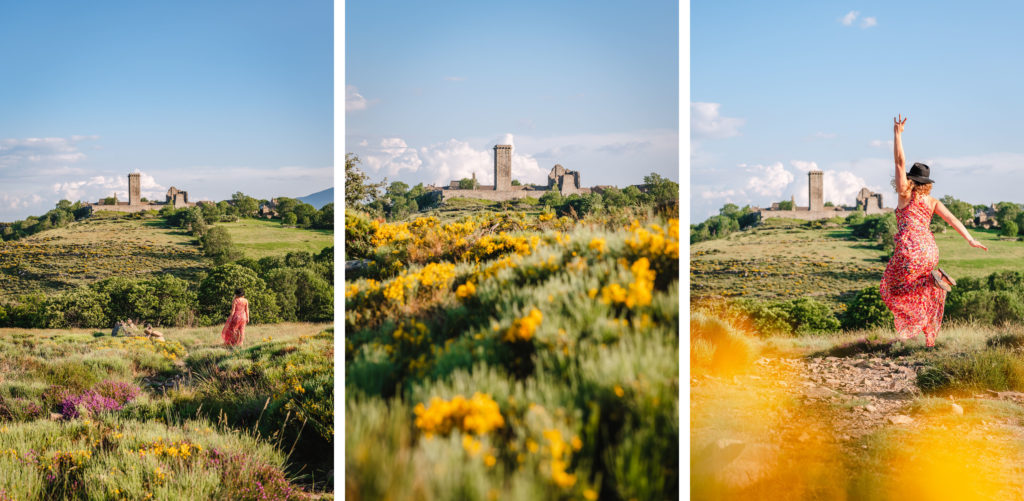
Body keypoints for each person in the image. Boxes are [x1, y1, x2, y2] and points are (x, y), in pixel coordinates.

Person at [881, 114, 987, 347]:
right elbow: (953, 220)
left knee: (891, 287)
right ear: (927, 182)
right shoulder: (932, 201)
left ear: (910, 179)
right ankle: (931, 287)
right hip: (930, 251)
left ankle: (926, 293)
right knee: (918, 287)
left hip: (910, 249)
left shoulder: (904, 194)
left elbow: (899, 162)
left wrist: (897, 134)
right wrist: (971, 239)